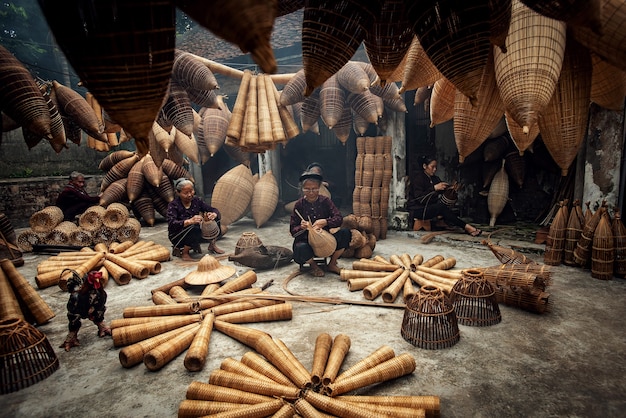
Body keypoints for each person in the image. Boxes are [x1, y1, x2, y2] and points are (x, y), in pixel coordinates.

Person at [290, 170, 351, 277]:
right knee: (299, 248)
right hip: (308, 243)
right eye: (307, 189)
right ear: (302, 189)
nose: (311, 192)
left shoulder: (325, 201)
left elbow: (339, 218)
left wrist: (325, 222)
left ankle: (332, 264)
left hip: (326, 241)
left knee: (345, 233)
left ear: (319, 188)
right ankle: (314, 266)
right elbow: (293, 230)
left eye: (314, 189)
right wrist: (302, 227)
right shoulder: (299, 205)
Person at [408, 155, 482, 237]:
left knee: (448, 208)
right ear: (425, 166)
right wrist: (434, 188)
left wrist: (450, 189)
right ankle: (466, 227)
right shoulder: (418, 179)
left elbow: (441, 192)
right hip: (418, 210)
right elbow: (420, 199)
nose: (435, 169)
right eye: (432, 167)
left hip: (430, 208)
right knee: (441, 207)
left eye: (436, 167)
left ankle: (452, 224)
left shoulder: (435, 179)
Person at [167, 178, 223, 261]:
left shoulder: (196, 201)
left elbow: (214, 210)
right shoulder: (173, 205)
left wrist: (213, 214)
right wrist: (189, 221)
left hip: (196, 233)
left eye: (191, 191)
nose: (190, 195)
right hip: (178, 236)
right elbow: (172, 224)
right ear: (178, 193)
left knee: (215, 219)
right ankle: (185, 253)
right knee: (194, 227)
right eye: (186, 193)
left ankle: (212, 245)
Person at [60, 270, 111, 352]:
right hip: (78, 311)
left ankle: (102, 327)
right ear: (89, 281)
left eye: (98, 279)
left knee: (99, 311)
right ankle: (72, 337)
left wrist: (95, 314)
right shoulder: (76, 297)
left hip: (92, 310)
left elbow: (100, 308)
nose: (97, 280)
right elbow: (72, 313)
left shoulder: (101, 294)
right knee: (75, 317)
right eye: (94, 279)